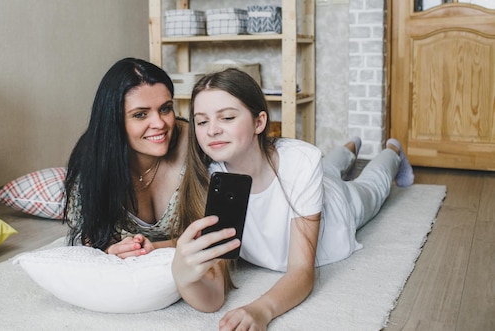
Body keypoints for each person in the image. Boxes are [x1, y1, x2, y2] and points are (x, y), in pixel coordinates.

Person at [172, 68, 414, 329]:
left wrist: (262, 309)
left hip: (336, 204)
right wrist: (181, 274)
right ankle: (349, 147)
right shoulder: (210, 178)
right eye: (202, 121)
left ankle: (392, 151)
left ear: (259, 122)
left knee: (372, 187)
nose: (212, 131)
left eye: (227, 117)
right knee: (328, 167)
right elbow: (213, 288)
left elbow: (301, 271)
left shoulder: (299, 162)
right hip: (306, 180)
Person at [63, 57, 188, 259]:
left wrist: (154, 248)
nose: (159, 123)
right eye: (140, 114)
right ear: (114, 120)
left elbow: (216, 235)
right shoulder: (93, 157)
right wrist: (112, 250)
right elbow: (93, 235)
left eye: (165, 108)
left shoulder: (193, 146)